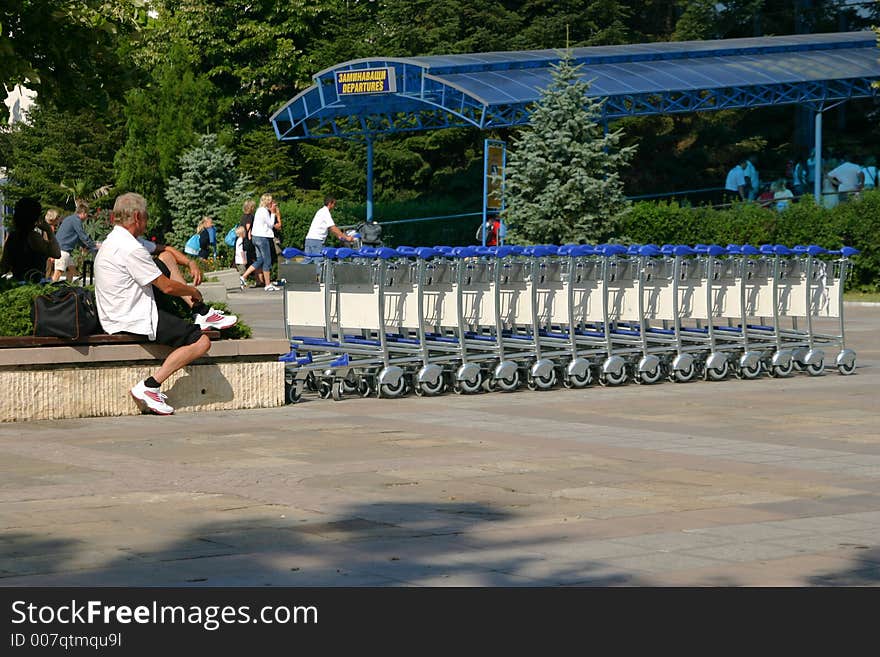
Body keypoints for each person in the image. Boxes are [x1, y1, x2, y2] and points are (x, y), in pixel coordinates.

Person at [94, 192, 238, 416]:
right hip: (133, 317)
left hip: (121, 311)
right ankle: (150, 386)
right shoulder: (130, 249)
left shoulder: (119, 240)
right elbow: (167, 287)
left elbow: (165, 250)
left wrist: (190, 261)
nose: (148, 221)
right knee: (201, 342)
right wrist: (194, 291)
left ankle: (201, 313)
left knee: (166, 258)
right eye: (147, 216)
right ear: (138, 217)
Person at [0, 197, 61, 283]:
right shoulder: (34, 237)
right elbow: (56, 253)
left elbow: (4, 267)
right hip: (34, 285)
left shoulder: (12, 236)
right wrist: (49, 231)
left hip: (17, 284)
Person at [240, 193, 281, 292]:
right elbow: (271, 224)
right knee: (267, 260)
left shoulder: (259, 211)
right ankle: (267, 284)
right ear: (267, 202)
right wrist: (273, 213)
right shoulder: (264, 211)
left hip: (256, 237)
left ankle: (244, 276)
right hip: (263, 238)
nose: (272, 203)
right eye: (271, 201)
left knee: (260, 260)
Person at [53, 200, 98, 282]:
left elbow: (77, 237)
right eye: (87, 215)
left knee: (72, 270)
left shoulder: (71, 219)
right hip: (62, 249)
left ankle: (68, 286)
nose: (86, 217)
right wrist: (94, 246)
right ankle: (50, 289)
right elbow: (82, 236)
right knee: (58, 272)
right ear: (83, 213)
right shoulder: (76, 220)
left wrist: (84, 246)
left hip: (64, 249)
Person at [304, 196, 356, 266]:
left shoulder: (320, 211)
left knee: (307, 262)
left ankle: (297, 275)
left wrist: (339, 236)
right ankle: (319, 277)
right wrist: (347, 238)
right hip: (317, 241)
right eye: (334, 204)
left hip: (309, 239)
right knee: (319, 263)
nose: (334, 206)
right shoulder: (326, 212)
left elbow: (329, 228)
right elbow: (333, 227)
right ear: (330, 203)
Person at [238, 199, 257, 286]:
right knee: (253, 260)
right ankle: (244, 278)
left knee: (249, 260)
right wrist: (250, 238)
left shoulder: (242, 216)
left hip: (243, 240)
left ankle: (258, 280)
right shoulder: (250, 217)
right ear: (251, 207)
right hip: (248, 242)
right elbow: (248, 228)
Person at [43, 208, 61, 279]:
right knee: (48, 274)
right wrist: (51, 256)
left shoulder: (45, 226)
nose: (57, 220)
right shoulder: (49, 228)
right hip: (47, 256)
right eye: (56, 218)